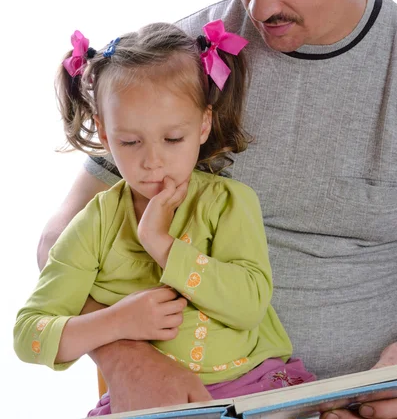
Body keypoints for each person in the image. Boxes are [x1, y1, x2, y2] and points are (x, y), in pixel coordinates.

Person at [36, 0, 397, 418]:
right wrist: (126, 356)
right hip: (206, 401)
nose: (257, 4)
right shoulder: (181, 62)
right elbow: (60, 239)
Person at [14, 23, 316, 416]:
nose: (152, 161)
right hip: (148, 404)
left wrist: (162, 244)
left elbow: (247, 306)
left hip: (253, 387)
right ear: (105, 136)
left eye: (172, 138)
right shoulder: (95, 224)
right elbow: (29, 335)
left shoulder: (229, 202)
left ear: (203, 125)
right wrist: (117, 322)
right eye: (129, 141)